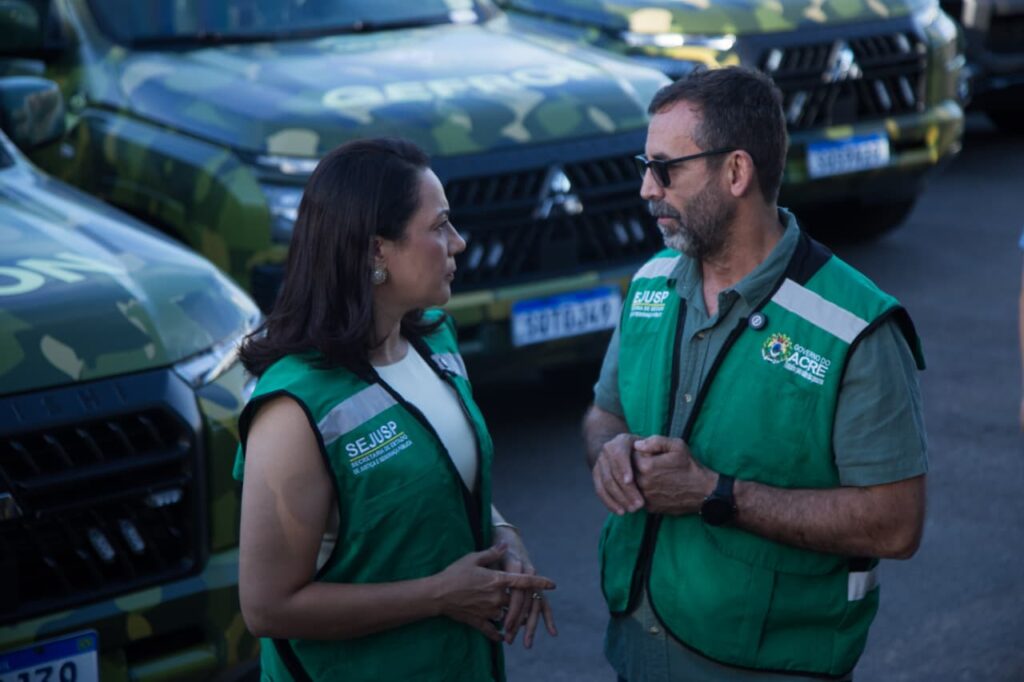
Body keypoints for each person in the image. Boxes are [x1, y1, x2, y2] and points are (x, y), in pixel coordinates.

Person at [582, 67, 928, 682]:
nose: (645, 188)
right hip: (636, 647)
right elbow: (603, 414)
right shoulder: (650, 283)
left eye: (665, 169)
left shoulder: (854, 327)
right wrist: (610, 451)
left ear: (736, 171)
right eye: (645, 165)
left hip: (768, 664)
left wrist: (715, 494)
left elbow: (896, 524)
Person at [235, 137, 556, 682]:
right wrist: (438, 595)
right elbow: (267, 607)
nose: (458, 242)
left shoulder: (437, 340)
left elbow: (439, 475)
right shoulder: (294, 408)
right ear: (375, 251)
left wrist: (501, 531)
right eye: (439, 226)